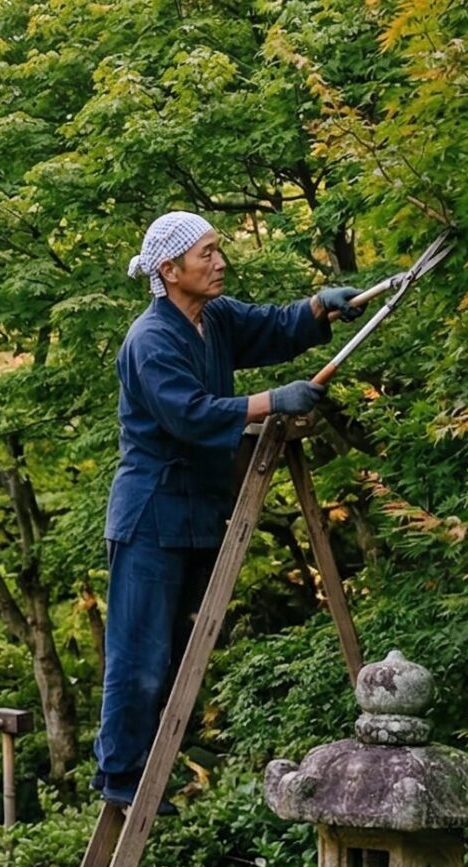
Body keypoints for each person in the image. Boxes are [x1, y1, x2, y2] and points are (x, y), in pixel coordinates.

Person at [96, 211, 366, 810]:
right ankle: (121, 774)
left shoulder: (212, 318)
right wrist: (273, 399)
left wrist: (320, 307)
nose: (219, 263)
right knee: (140, 652)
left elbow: (270, 328)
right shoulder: (150, 340)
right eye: (206, 255)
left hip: (197, 509)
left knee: (179, 650)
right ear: (169, 270)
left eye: (219, 251)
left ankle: (152, 764)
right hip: (150, 512)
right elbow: (189, 413)